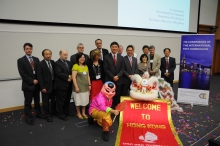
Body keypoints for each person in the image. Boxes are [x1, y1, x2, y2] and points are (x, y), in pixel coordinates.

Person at [17, 43, 43, 125]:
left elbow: (39, 72)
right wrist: (32, 80)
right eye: (27, 49)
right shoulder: (20, 60)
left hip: (37, 85)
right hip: (28, 85)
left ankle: (38, 114)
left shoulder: (36, 59)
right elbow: (22, 74)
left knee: (37, 101)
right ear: (24, 50)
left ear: (32, 49)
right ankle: (28, 117)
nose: (29, 50)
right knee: (28, 103)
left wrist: (38, 80)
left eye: (30, 49)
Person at [103, 41, 124, 107]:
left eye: (116, 47)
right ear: (110, 48)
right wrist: (113, 77)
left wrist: (117, 76)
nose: (114, 48)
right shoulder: (106, 57)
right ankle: (109, 108)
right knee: (109, 95)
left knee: (117, 95)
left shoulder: (121, 57)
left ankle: (116, 107)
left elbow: (122, 68)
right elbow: (105, 69)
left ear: (118, 48)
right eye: (113, 47)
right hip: (109, 80)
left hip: (118, 80)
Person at [37, 49, 56, 122]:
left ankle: (53, 112)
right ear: (43, 55)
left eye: (49, 54)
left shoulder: (52, 62)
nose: (48, 56)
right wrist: (42, 87)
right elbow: (39, 76)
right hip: (45, 86)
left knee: (53, 100)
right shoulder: (40, 64)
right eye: (46, 54)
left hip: (53, 85)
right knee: (46, 102)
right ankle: (47, 115)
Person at [54, 50, 73, 121]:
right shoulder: (56, 63)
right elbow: (58, 73)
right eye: (64, 55)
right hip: (61, 85)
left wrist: (71, 76)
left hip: (69, 85)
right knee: (60, 101)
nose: (66, 56)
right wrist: (68, 77)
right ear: (60, 55)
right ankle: (60, 114)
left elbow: (72, 71)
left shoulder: (69, 62)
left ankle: (66, 111)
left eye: (66, 54)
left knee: (67, 99)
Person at [72, 53, 91, 119]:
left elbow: (88, 76)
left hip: (85, 87)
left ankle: (83, 113)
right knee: (78, 101)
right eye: (81, 57)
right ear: (78, 58)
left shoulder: (86, 66)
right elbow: (73, 77)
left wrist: (89, 84)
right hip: (78, 87)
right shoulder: (75, 66)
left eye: (83, 57)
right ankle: (78, 113)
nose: (82, 59)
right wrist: (76, 87)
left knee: (84, 101)